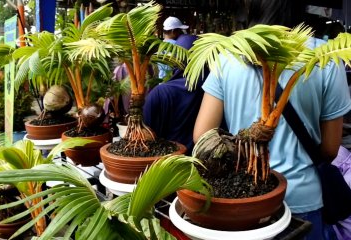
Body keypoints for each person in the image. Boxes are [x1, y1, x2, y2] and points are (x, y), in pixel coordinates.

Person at [192, 0, 351, 239]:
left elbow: (202, 136)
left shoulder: (228, 55)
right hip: (303, 201)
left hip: (243, 201)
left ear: (250, 6)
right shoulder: (325, 58)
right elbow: (329, 149)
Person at [144, 34, 205, 155]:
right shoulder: (211, 90)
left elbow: (146, 137)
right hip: (202, 163)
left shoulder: (160, 93)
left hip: (166, 164)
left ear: (176, 58)